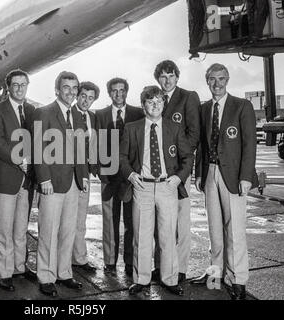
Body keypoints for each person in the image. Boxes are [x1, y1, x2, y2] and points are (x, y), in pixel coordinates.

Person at [119, 86, 193, 296]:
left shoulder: (174, 128)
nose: (155, 105)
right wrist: (131, 175)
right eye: (150, 101)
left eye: (159, 101)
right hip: (141, 186)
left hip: (166, 186)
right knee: (141, 236)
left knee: (168, 235)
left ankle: (169, 279)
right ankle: (141, 279)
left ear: (164, 104)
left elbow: (188, 157)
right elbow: (122, 157)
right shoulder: (132, 128)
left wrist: (178, 177)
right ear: (143, 105)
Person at [192, 63, 257, 300]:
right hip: (210, 172)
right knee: (214, 230)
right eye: (212, 79)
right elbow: (201, 143)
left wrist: (246, 177)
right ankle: (215, 274)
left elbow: (250, 144)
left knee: (235, 230)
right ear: (207, 81)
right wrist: (199, 173)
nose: (217, 84)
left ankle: (238, 279)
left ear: (227, 80)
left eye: (221, 79)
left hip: (234, 176)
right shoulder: (204, 108)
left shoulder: (242, 106)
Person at [33, 71, 89, 297]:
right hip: (51, 183)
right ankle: (45, 276)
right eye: (66, 87)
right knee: (48, 230)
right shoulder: (43, 112)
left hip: (73, 183)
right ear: (57, 89)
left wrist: (83, 175)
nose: (71, 92)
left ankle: (64, 273)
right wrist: (43, 178)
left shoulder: (77, 116)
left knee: (68, 231)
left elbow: (81, 150)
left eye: (74, 88)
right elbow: (37, 148)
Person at [0, 69, 36, 292]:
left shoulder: (33, 110)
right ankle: (4, 272)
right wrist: (20, 162)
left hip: (26, 181)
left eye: (23, 84)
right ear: (8, 87)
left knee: (20, 227)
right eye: (15, 85)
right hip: (5, 176)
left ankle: (19, 266)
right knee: (3, 228)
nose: (19, 88)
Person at [153, 60, 201, 283]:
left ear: (177, 77)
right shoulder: (154, 97)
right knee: (161, 221)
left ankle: (180, 268)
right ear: (158, 79)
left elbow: (193, 134)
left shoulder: (188, 97)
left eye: (171, 75)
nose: (167, 80)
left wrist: (181, 166)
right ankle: (161, 265)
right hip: (157, 170)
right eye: (163, 76)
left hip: (179, 170)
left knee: (181, 219)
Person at [95, 78, 145, 276]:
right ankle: (109, 261)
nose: (118, 94)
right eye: (114, 91)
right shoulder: (100, 115)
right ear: (109, 93)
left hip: (131, 176)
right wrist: (100, 170)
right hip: (109, 177)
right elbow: (95, 144)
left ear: (126, 92)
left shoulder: (138, 113)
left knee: (132, 221)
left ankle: (130, 260)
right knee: (110, 220)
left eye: (122, 90)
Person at [71, 81, 100, 273]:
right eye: (83, 96)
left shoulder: (92, 117)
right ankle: (62, 260)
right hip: (67, 174)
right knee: (65, 221)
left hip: (85, 175)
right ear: (77, 95)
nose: (86, 101)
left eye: (90, 98)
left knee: (80, 219)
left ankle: (79, 259)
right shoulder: (67, 114)